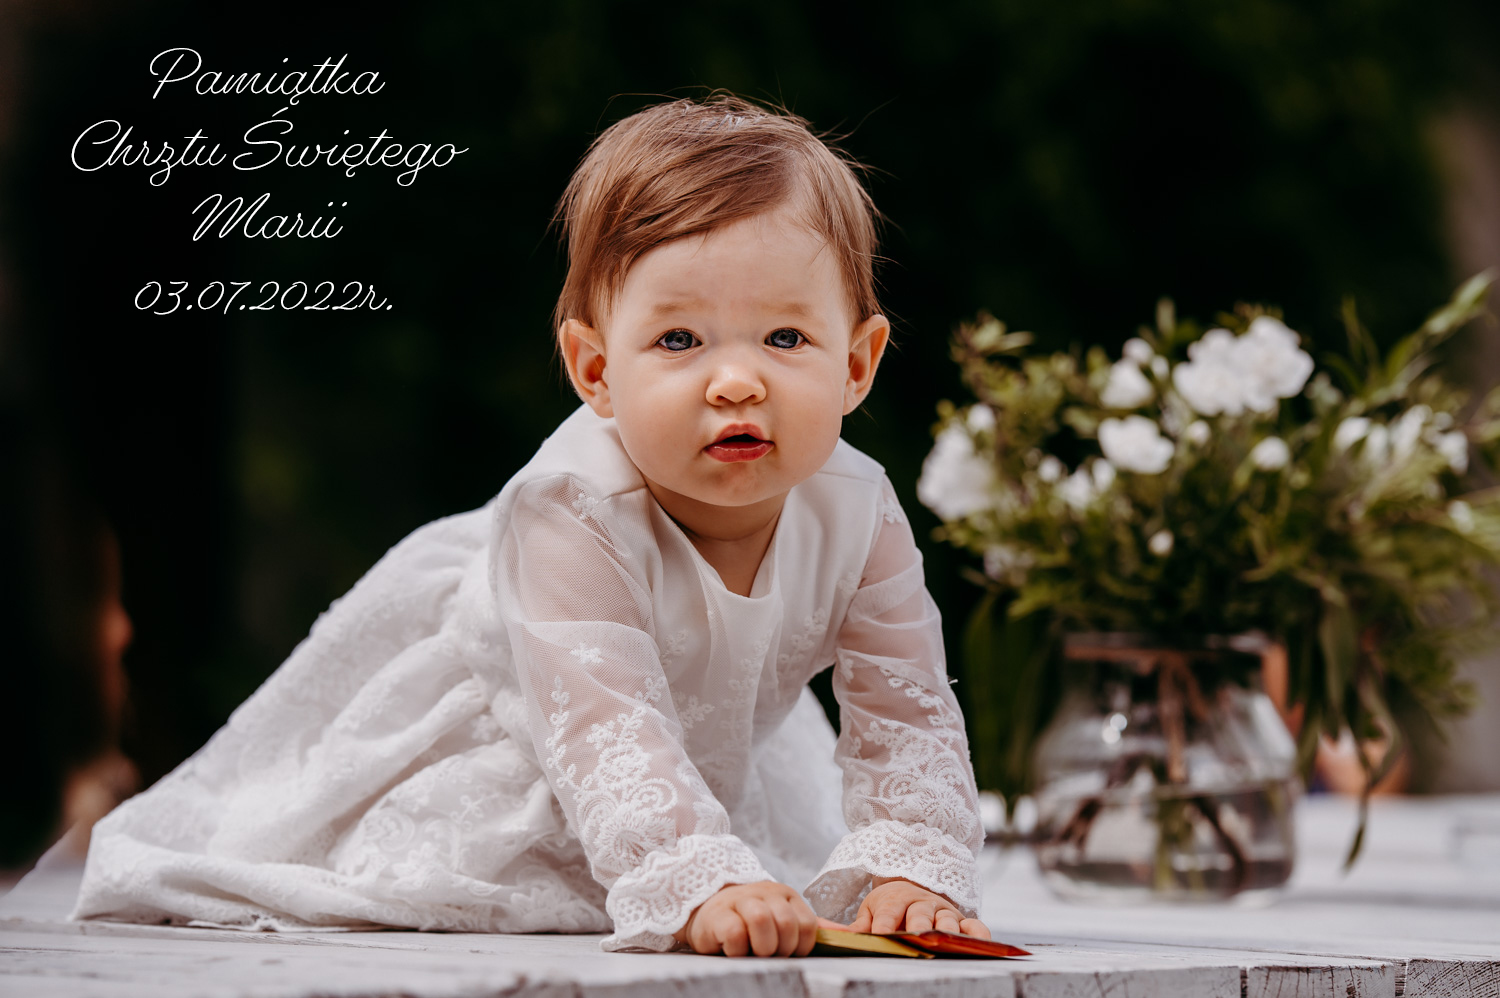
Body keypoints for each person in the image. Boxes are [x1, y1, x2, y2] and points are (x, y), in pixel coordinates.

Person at [72, 94, 990, 957]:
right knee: (454, 872)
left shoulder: (858, 507)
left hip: (703, 739)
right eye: (679, 340)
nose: (737, 381)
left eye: (786, 339)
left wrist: (912, 867)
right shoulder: (571, 508)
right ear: (595, 371)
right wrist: (696, 879)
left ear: (857, 364)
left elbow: (906, 707)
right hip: (527, 733)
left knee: (785, 861)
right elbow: (602, 724)